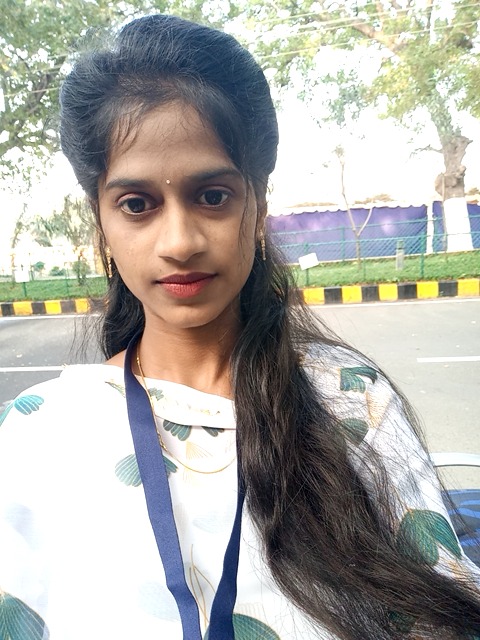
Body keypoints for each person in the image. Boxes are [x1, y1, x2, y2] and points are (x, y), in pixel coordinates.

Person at [0, 14, 479, 640]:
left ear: (257, 205)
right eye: (137, 205)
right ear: (103, 223)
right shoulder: (37, 436)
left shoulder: (350, 402)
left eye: (213, 196)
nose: (179, 242)